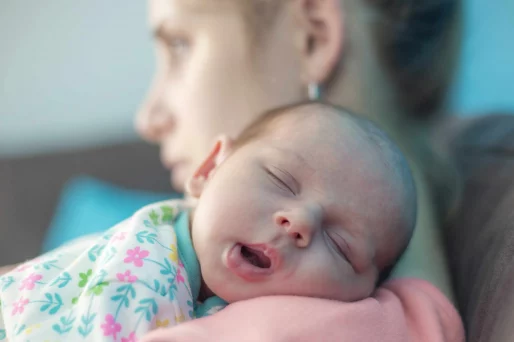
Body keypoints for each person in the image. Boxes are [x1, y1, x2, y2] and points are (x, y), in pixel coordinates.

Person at [0, 102, 420, 341]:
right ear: (208, 169)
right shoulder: (150, 238)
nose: (300, 221)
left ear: (361, 295)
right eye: (280, 179)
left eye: (342, 247)